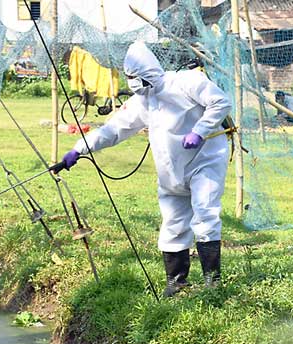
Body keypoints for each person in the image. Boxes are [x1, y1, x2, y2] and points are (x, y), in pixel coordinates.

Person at [59, 41, 232, 297]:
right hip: (171, 170)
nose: (132, 83)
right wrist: (79, 149)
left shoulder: (187, 82)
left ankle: (212, 284)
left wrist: (199, 130)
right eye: (128, 78)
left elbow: (220, 102)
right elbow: (114, 129)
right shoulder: (143, 100)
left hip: (204, 161)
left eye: (134, 77)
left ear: (148, 72)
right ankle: (176, 283)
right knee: (173, 223)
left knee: (205, 214)